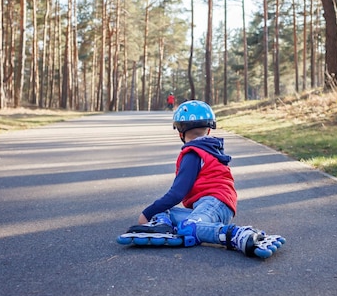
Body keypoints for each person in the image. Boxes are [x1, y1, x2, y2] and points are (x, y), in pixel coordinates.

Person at [117, 100, 285, 258]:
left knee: (187, 227)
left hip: (213, 204)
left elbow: (177, 193)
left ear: (181, 133)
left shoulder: (192, 153)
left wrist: (147, 213)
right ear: (209, 130)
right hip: (215, 207)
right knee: (165, 212)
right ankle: (164, 225)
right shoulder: (211, 149)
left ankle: (238, 235)